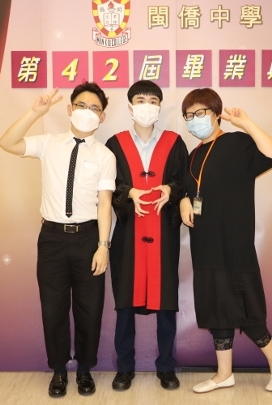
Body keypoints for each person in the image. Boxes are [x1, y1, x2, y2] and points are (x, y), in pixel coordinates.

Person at [0, 82, 116, 397]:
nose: (87, 112)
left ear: (102, 117)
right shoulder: (48, 143)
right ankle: (59, 369)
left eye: (94, 108)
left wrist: (103, 246)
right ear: (69, 109)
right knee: (53, 309)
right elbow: (7, 142)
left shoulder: (105, 155)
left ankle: (85, 368)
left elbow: (105, 204)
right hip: (52, 239)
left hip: (88, 237)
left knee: (90, 309)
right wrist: (35, 112)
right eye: (81, 105)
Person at [179, 88, 272, 393]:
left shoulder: (237, 143)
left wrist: (247, 124)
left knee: (245, 307)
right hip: (205, 245)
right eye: (189, 115)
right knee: (216, 310)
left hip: (235, 245)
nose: (194, 119)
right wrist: (183, 200)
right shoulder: (193, 155)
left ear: (216, 113)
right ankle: (224, 373)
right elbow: (188, 189)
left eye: (201, 113)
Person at [105, 80, 188, 391]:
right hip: (128, 235)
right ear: (130, 106)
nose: (147, 106)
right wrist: (129, 193)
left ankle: (166, 367)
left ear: (159, 107)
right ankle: (124, 368)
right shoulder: (115, 144)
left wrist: (170, 188)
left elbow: (183, 181)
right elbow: (108, 185)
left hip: (163, 234)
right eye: (141, 100)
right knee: (125, 302)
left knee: (165, 302)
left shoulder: (174, 142)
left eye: (153, 101)